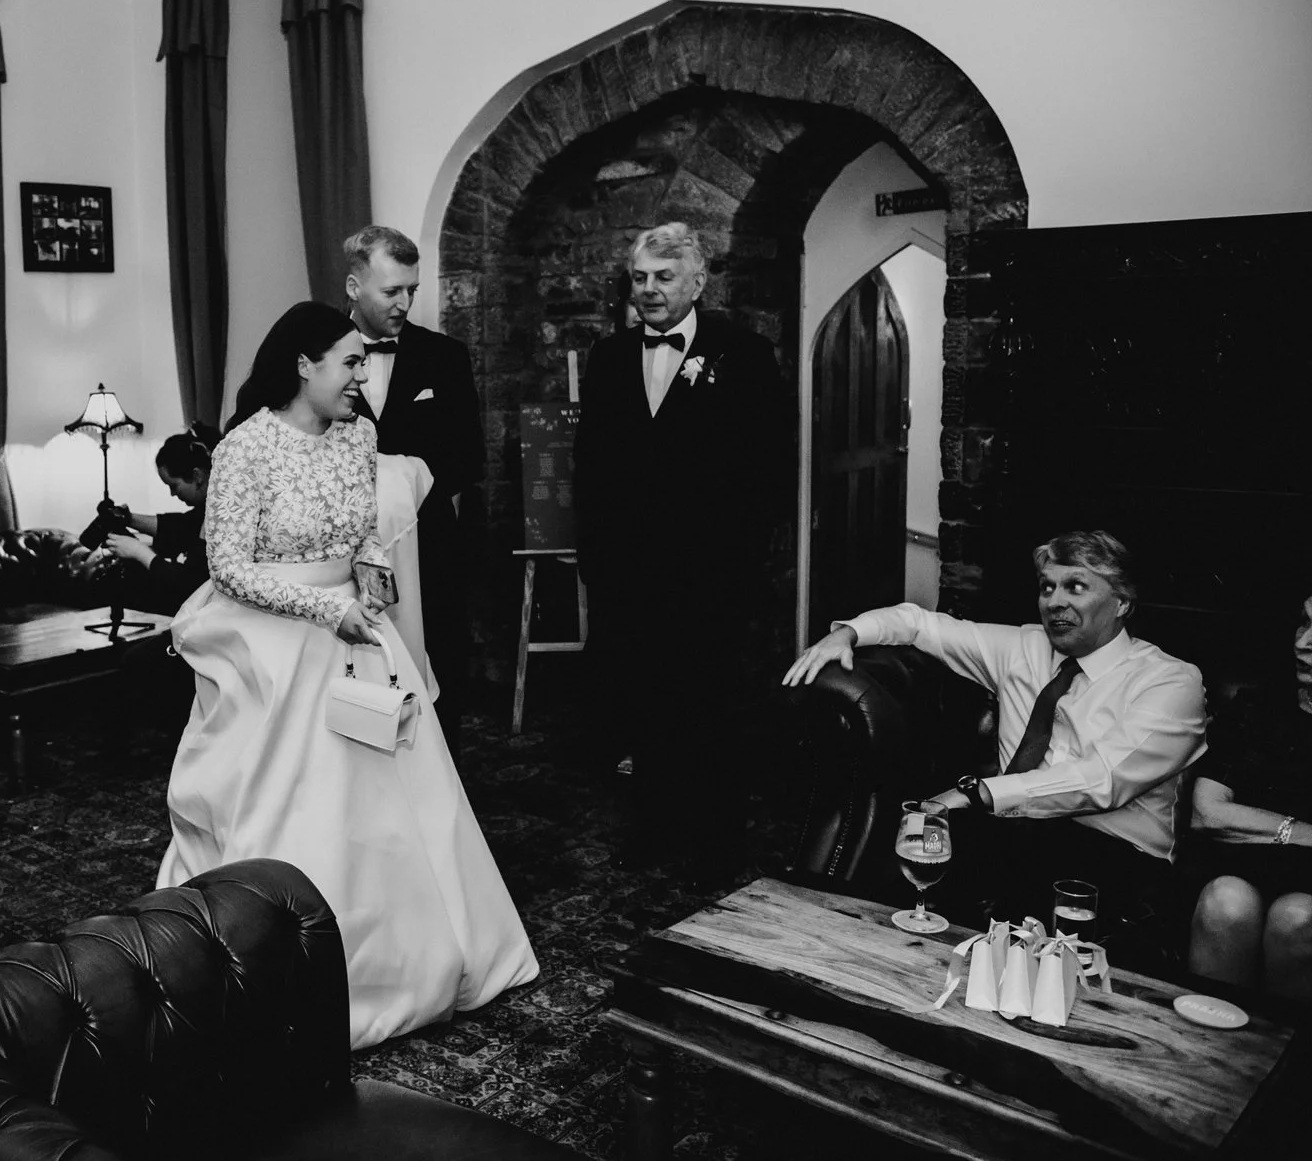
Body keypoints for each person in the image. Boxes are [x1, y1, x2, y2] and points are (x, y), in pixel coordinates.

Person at [157, 301, 539, 1050]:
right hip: (276, 645)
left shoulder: (361, 434)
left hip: (360, 633)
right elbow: (227, 567)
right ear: (304, 363)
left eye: (365, 361)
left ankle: (422, 957)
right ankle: (284, 967)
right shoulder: (248, 446)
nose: (363, 376)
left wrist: (369, 580)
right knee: (296, 800)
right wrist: (322, 609)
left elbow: (367, 529)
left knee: (401, 803)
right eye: (350, 361)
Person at [783, 530, 1208, 939]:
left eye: (1075, 587)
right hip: (1011, 833)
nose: (1055, 602)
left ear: (1121, 603)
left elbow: (1102, 781)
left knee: (999, 858)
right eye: (1047, 587)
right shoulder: (1022, 647)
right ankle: (820, 938)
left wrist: (974, 794)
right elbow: (918, 624)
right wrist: (846, 634)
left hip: (1118, 856)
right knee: (910, 851)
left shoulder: (1171, 682)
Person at [573, 221, 791, 881]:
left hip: (712, 576)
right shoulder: (608, 357)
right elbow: (592, 468)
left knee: (712, 705)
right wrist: (597, 564)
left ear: (696, 282)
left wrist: (743, 563)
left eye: (664, 277)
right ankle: (652, 826)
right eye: (640, 278)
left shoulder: (744, 353)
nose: (649, 290)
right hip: (631, 577)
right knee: (644, 703)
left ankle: (718, 837)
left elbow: (770, 468)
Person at [343, 225, 484, 762]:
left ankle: (440, 776)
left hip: (429, 547)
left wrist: (406, 489)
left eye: (411, 291)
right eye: (390, 291)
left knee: (438, 662)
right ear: (354, 287)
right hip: (342, 553)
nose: (404, 303)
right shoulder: (315, 354)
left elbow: (468, 456)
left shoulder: (444, 356)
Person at [1185, 590, 1312, 1001]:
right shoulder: (1259, 707)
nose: (1302, 641)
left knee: (1296, 916)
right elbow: (1207, 813)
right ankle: (1207, 1054)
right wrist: (1304, 832)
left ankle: (1291, 1060)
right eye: (1303, 621)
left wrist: (1256, 821)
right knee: (1226, 901)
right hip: (1240, 867)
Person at [102, 422, 219, 616]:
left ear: (197, 475)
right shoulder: (209, 508)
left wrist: (139, 552)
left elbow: (189, 583)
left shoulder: (218, 515)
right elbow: (181, 526)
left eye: (174, 485)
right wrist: (128, 519)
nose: (173, 494)